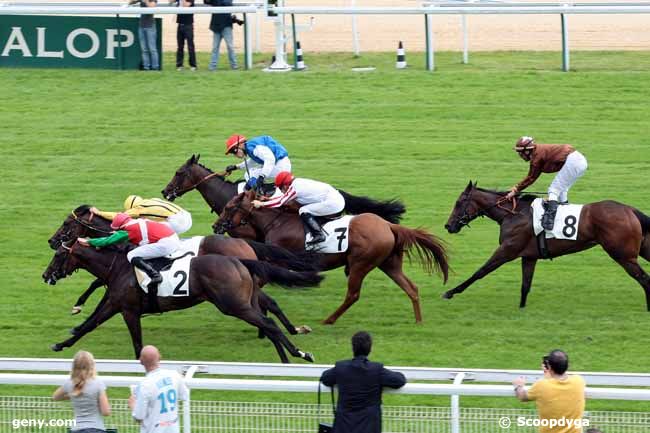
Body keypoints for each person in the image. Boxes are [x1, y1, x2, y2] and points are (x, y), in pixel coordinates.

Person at [320, 331, 406, 433]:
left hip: (344, 426)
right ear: (370, 349)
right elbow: (399, 380)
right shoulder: (376, 369)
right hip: (369, 427)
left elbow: (325, 378)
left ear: (353, 348)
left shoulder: (341, 367)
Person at [505, 136, 588, 230]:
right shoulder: (538, 152)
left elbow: (531, 177)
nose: (520, 155)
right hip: (580, 161)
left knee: (553, 190)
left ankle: (549, 220)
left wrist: (515, 190)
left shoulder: (537, 157)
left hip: (573, 161)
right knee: (562, 190)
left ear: (528, 150)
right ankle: (564, 211)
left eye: (520, 152)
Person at [78, 213, 181, 285]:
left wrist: (89, 241)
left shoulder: (128, 231)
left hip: (166, 244)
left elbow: (107, 241)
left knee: (131, 255)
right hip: (173, 238)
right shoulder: (137, 221)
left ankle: (155, 275)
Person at [252, 171, 345, 245]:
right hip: (333, 197)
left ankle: (319, 234)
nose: (281, 190)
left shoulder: (295, 188)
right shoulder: (296, 183)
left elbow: (280, 202)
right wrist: (268, 199)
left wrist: (261, 204)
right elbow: (283, 198)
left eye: (280, 188)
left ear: (285, 185)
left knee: (303, 210)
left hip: (333, 203)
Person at [513, 349, 586, 433]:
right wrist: (550, 374)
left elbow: (522, 396)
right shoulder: (579, 381)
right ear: (568, 365)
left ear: (549, 367)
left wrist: (518, 386)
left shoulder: (541, 385)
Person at [128, 345, 188, 433]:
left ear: (140, 361)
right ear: (160, 357)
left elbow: (139, 416)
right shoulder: (174, 375)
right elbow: (184, 395)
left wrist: (133, 405)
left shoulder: (145, 385)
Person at [52, 350, 111, 433]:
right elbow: (106, 412)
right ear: (92, 365)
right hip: (96, 428)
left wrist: (72, 395)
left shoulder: (70, 383)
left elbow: (55, 397)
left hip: (76, 429)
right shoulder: (98, 383)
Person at [90, 195, 192, 235]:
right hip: (187, 216)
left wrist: (99, 212)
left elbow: (118, 216)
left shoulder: (138, 208)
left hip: (178, 223)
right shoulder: (152, 200)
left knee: (146, 227)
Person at [224, 134, 292, 192]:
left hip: (281, 166)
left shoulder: (252, 147)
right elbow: (252, 161)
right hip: (281, 164)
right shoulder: (250, 147)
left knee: (250, 174)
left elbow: (270, 159)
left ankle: (262, 192)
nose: (235, 155)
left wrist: (262, 176)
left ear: (240, 145)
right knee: (251, 174)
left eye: (234, 151)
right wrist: (236, 167)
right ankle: (263, 190)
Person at [206, 0, 239, 71]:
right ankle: (212, 67)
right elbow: (206, 1)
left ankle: (234, 66)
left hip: (226, 25)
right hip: (216, 26)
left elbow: (228, 3)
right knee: (215, 48)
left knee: (230, 47)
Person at [129, 0, 159, 71]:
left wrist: (145, 1)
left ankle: (155, 67)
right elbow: (130, 2)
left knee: (152, 49)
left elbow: (152, 7)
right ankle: (146, 67)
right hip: (141, 25)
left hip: (150, 26)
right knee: (144, 49)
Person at [174, 0, 196, 71]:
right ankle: (179, 65)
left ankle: (193, 65)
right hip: (180, 24)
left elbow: (185, 5)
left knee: (190, 46)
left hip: (188, 25)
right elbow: (170, 1)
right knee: (180, 46)